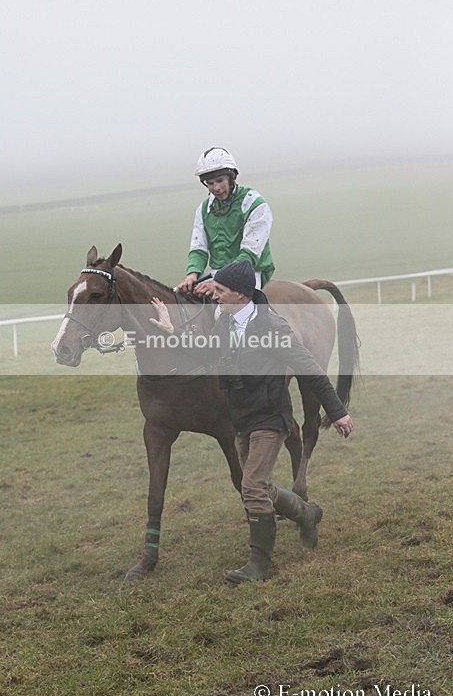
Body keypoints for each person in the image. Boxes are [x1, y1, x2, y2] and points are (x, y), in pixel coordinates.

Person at [150, 260, 354, 584]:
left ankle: (258, 564)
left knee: (251, 486)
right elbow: (204, 351)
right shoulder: (226, 327)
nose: (214, 296)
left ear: (241, 295)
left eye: (219, 291)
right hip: (241, 419)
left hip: (271, 418)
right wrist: (171, 331)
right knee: (260, 488)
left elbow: (309, 367)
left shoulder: (273, 326)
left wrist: (337, 411)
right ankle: (307, 514)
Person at [176, 147, 275, 298]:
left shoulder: (255, 204)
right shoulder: (203, 209)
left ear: (232, 177)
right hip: (215, 274)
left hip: (249, 273)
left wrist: (218, 283)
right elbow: (199, 249)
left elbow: (248, 255)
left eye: (220, 181)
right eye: (210, 183)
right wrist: (192, 275)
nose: (216, 188)